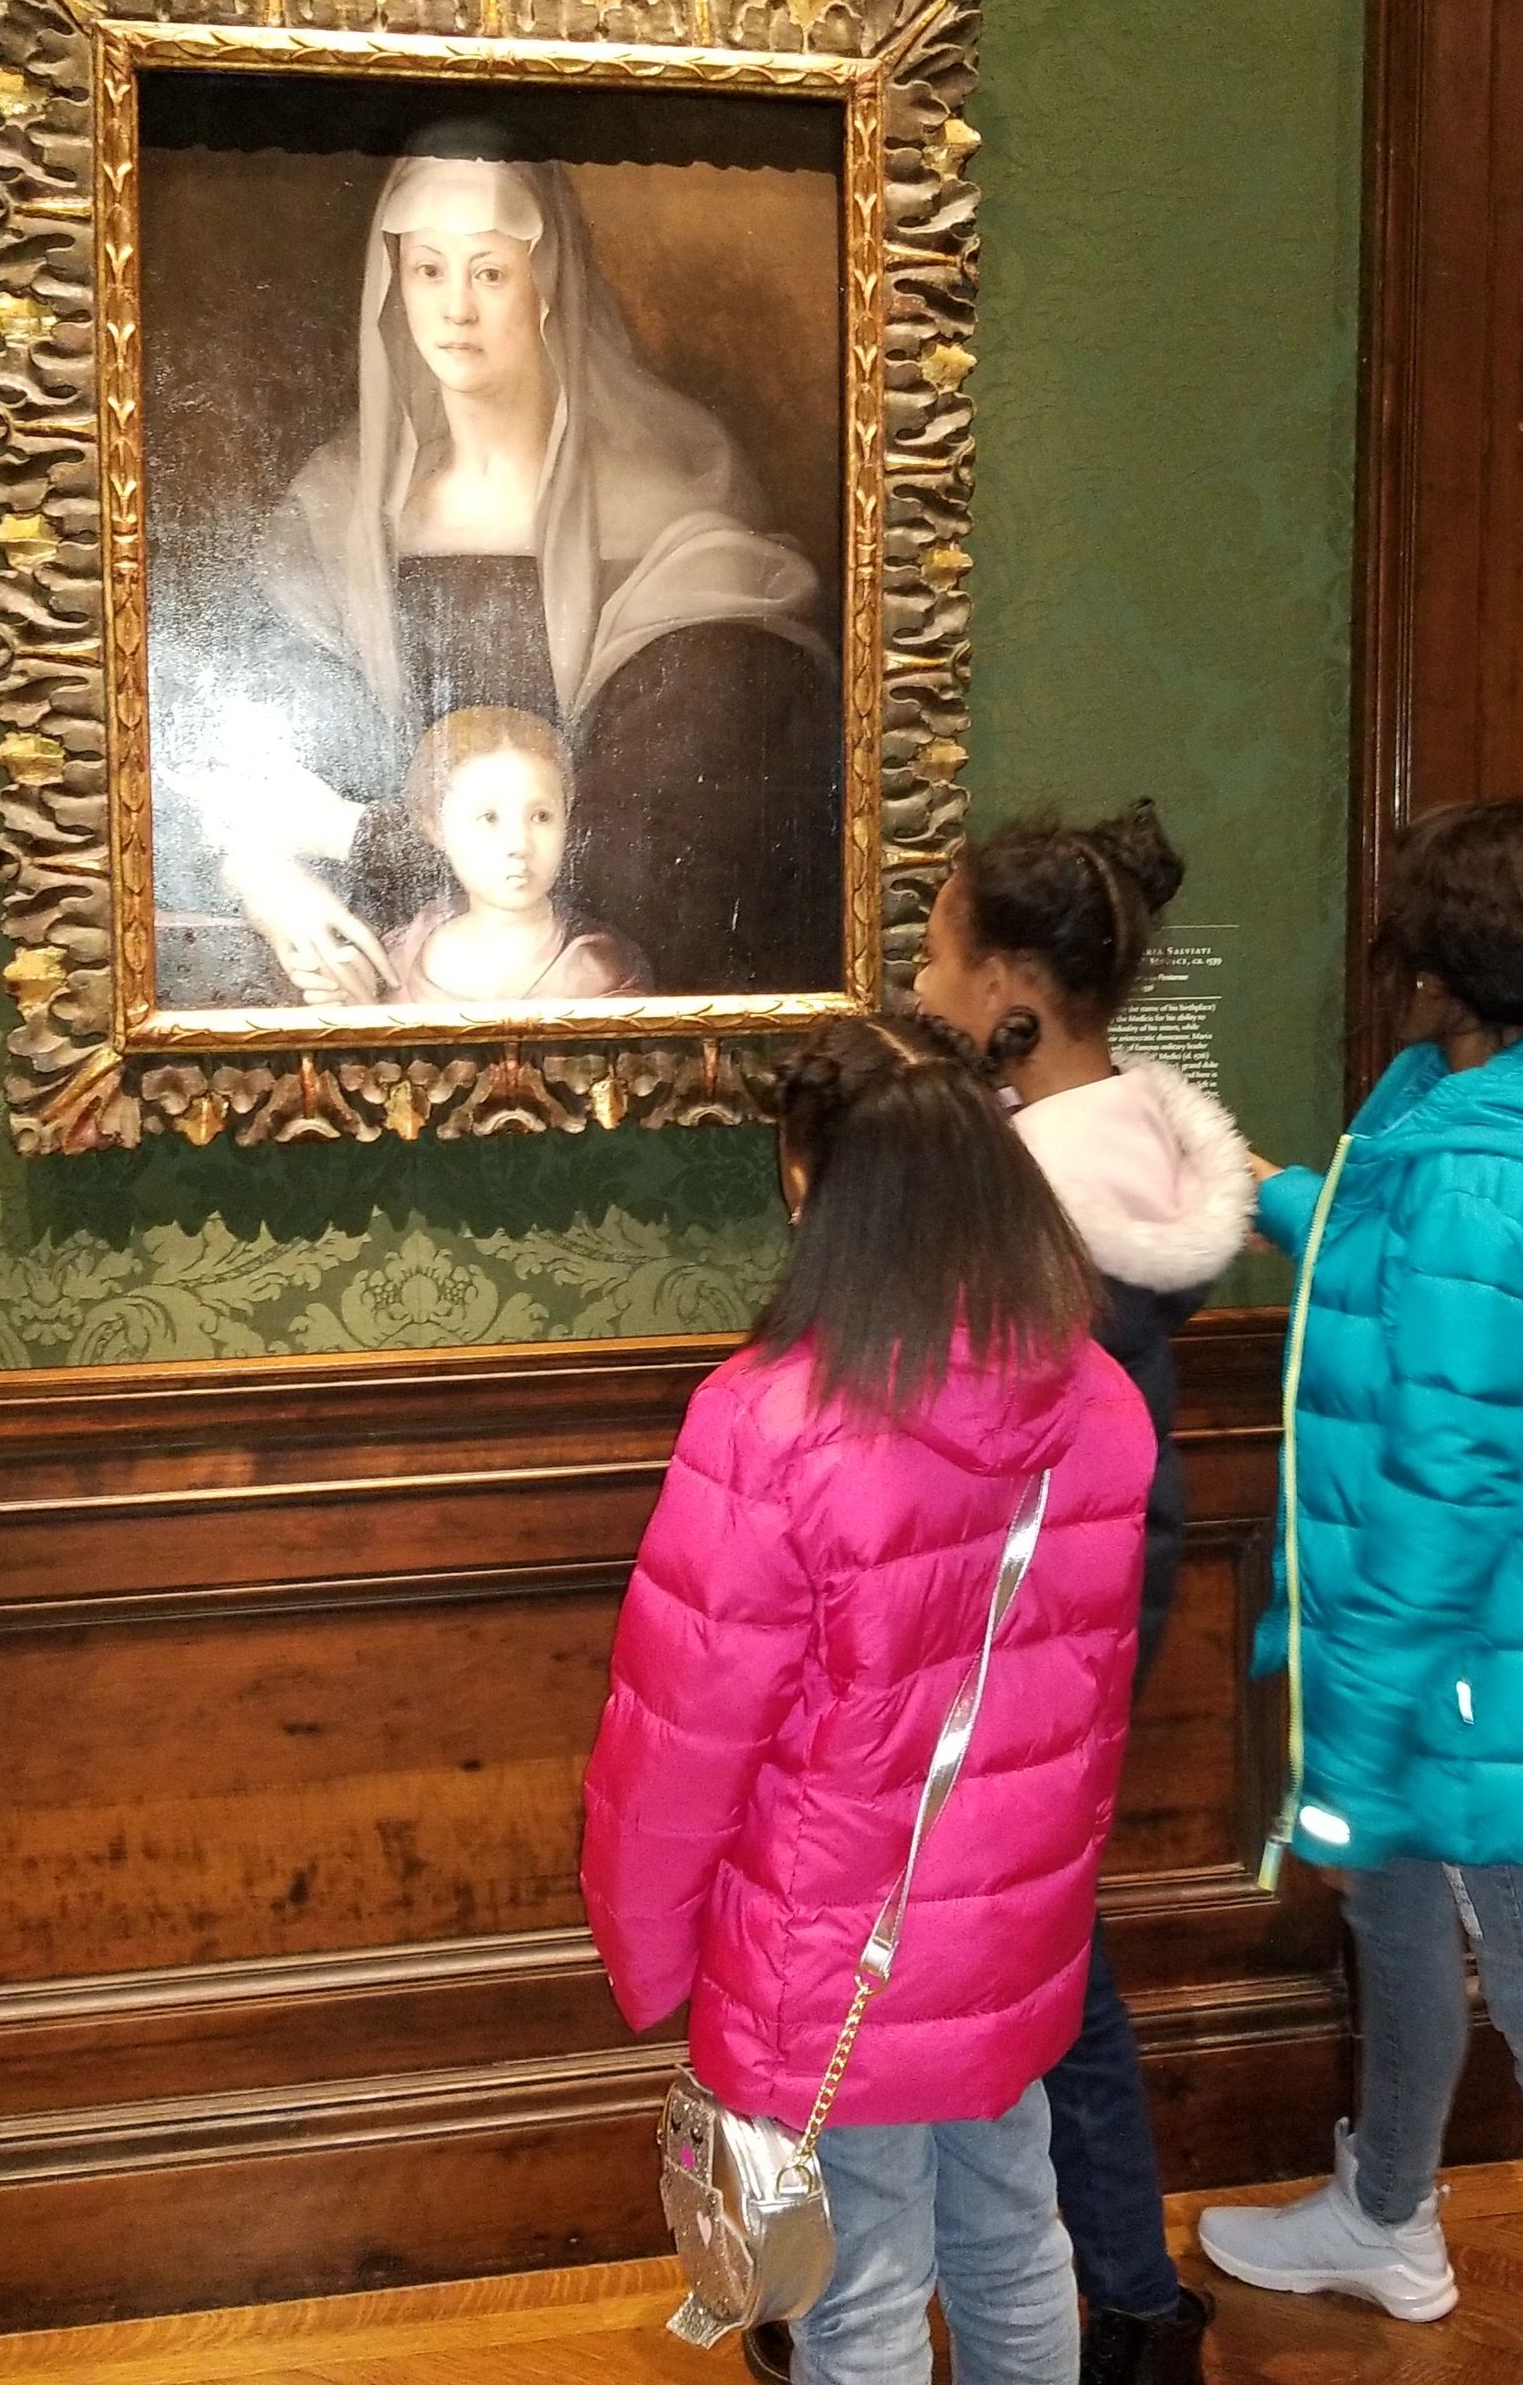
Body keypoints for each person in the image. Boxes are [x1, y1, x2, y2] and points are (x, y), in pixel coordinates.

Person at [1196, 794, 1523, 2385]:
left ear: (1463, 962)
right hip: (1466, 1649)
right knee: (1405, 1929)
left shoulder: (1493, 1162)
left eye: (1412, 935)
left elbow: (1445, 1481)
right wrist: (1276, 1194)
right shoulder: (1474, 1109)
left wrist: (1354, 1735)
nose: (1391, 961)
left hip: (1479, 1663)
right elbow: (1403, 1270)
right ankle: (1386, 2218)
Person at [581, 1010, 1156, 2385]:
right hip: (1013, 1936)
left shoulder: (768, 1424)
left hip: (823, 1947)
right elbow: (1079, 1712)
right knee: (1020, 2239)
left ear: (811, 1189)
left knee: (858, 2289)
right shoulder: (1099, 1400)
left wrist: (648, 1950)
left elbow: (682, 1741)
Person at [161, 135, 840, 1005]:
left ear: (548, 285)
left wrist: (344, 833)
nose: (455, 311)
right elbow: (223, 746)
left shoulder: (670, 515)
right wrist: (263, 876)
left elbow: (651, 858)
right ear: (392, 287)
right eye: (428, 271)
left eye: (489, 273)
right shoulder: (335, 507)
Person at [912, 797, 1255, 2385]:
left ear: (1009, 993)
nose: (918, 978)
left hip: (1020, 1599)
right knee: (1047, 1934)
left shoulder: (1011, 1191)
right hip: (1113, 1569)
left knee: (1032, 1948)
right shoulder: (1131, 1144)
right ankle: (1112, 2283)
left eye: (935, 942)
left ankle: (1110, 2294)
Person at [385, 708, 650, 1004]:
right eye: (489, 818)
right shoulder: (400, 957)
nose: (519, 844)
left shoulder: (599, 965)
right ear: (435, 827)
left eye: (541, 816)